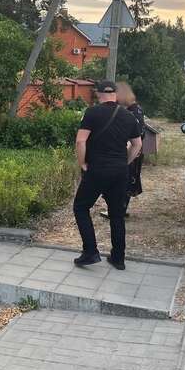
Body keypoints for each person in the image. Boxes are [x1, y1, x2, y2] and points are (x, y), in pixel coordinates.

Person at [73, 80, 143, 270]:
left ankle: (90, 252)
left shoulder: (92, 113)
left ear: (98, 94)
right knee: (117, 215)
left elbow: (81, 141)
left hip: (96, 169)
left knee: (81, 207)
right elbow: (137, 144)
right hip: (119, 171)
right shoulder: (129, 116)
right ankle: (118, 258)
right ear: (116, 95)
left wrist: (82, 163)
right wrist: (125, 162)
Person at [101, 81, 145, 219]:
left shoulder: (130, 113)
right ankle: (120, 209)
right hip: (135, 151)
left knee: (121, 182)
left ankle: (116, 210)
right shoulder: (136, 109)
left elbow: (133, 135)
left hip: (130, 151)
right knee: (126, 181)